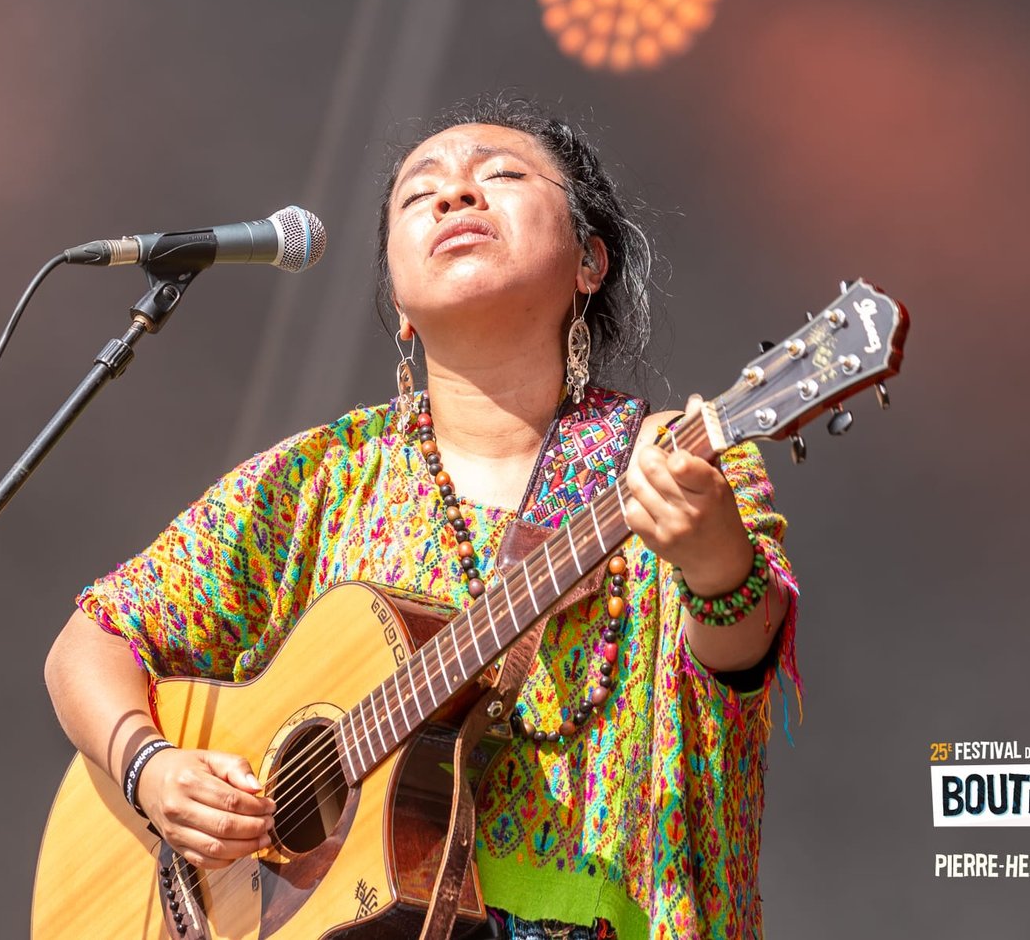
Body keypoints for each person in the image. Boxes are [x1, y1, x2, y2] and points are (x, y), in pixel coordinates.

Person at [44, 95, 800, 939]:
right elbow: (92, 641)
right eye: (419, 193)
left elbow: (742, 657)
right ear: (400, 304)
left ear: (590, 260)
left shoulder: (670, 460)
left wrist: (712, 553)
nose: (455, 194)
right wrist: (151, 771)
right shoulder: (324, 476)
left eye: (502, 176)